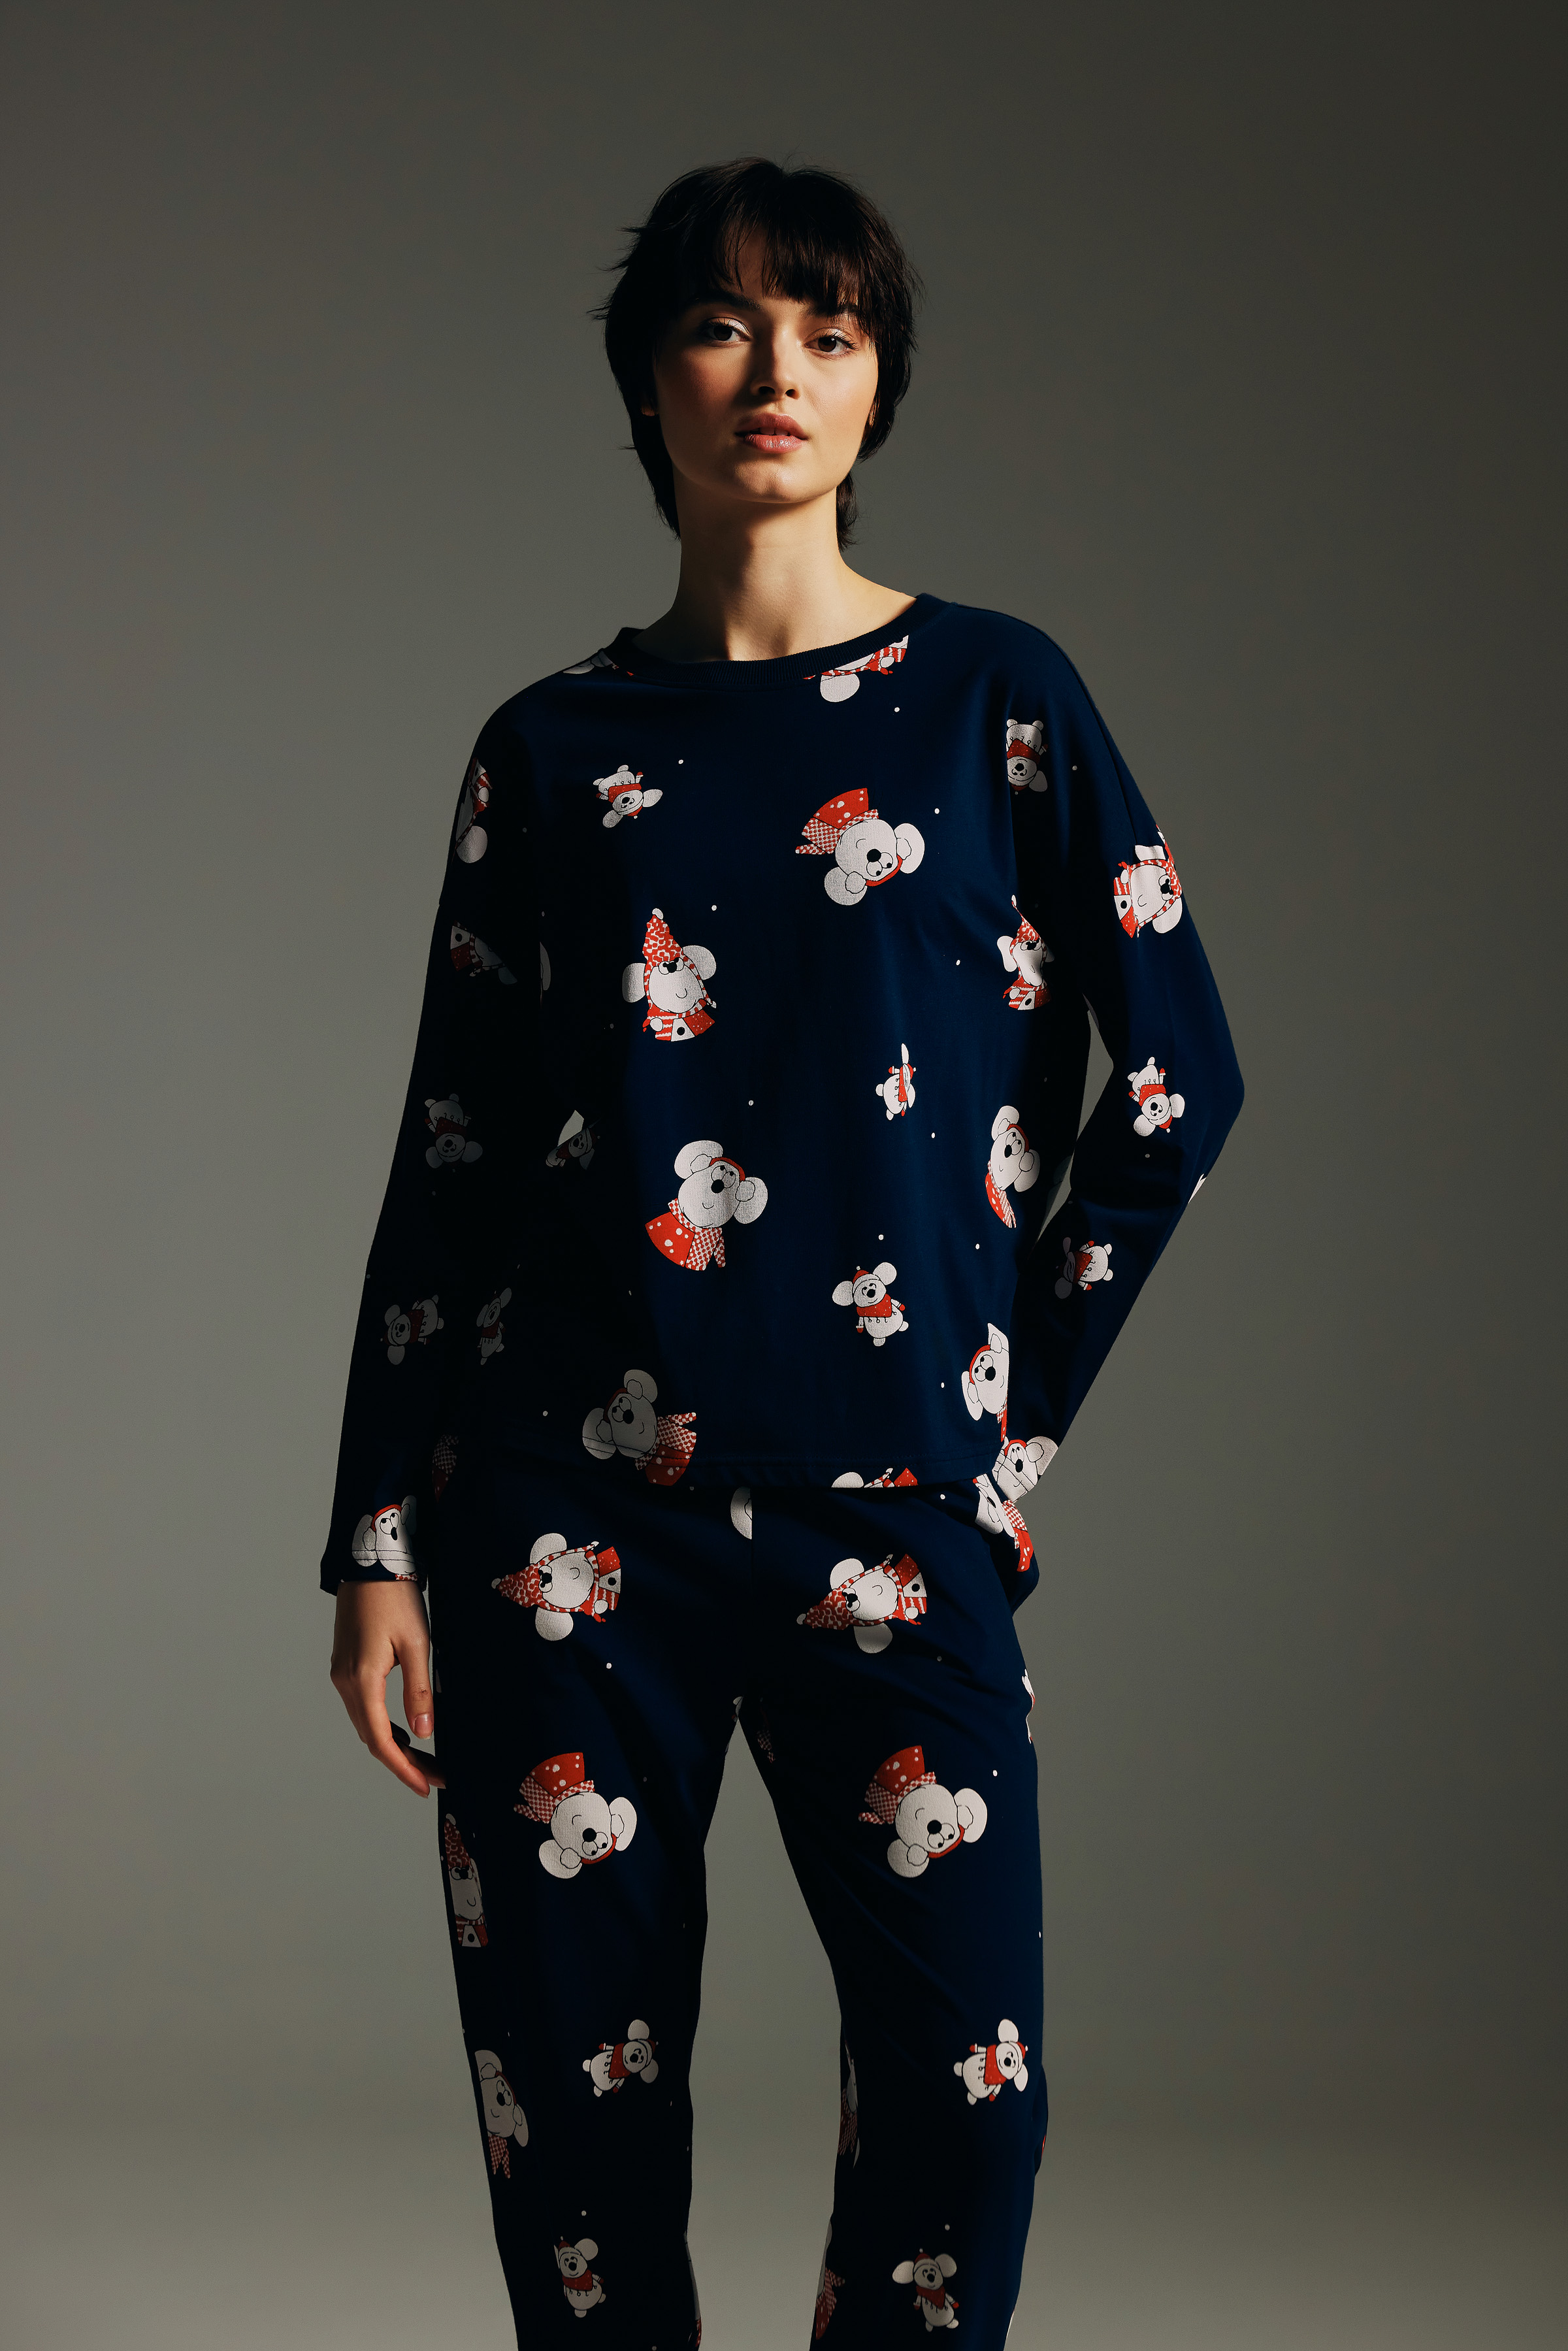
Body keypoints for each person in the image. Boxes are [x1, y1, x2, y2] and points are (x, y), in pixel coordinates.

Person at [325, 157, 1242, 2347]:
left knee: (961, 2102)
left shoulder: (998, 696)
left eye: (831, 332)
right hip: (562, 1526)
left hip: (893, 1507)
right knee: (575, 2126)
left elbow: (1179, 1082)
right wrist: (373, 1535)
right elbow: (454, 1163)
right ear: (648, 380)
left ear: (878, 386)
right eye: (727, 324)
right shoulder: (548, 749)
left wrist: (1002, 1417)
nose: (780, 371)